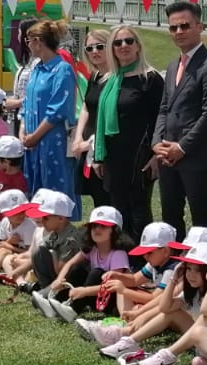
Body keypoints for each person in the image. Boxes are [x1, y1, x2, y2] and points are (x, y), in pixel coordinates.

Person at [151, 0, 207, 234]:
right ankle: (175, 267)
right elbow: (164, 108)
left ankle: (204, 269)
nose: (179, 32)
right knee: (170, 219)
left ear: (199, 26)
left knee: (202, 221)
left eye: (185, 26)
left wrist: (182, 147)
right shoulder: (174, 65)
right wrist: (157, 143)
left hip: (196, 157)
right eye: (173, 28)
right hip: (167, 156)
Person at [90, 24, 163, 240]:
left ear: (138, 46)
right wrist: (98, 157)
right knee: (118, 210)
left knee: (138, 209)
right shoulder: (109, 80)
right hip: (113, 156)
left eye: (129, 41)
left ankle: (142, 260)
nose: (123, 46)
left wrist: (155, 156)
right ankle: (122, 258)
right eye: (117, 42)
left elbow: (160, 119)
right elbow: (100, 121)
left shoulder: (150, 79)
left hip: (140, 156)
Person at [19, 18, 78, 201]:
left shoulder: (62, 70)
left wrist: (35, 136)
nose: (27, 45)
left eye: (29, 41)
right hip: (31, 140)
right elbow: (28, 102)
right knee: (32, 189)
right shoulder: (37, 69)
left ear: (38, 42)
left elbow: (58, 109)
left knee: (53, 190)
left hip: (51, 140)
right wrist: (23, 130)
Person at [71, 29, 112, 212]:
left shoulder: (117, 78)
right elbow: (87, 106)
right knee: (98, 200)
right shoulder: (95, 76)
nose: (94, 51)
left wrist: (91, 143)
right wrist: (78, 137)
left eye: (100, 46)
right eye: (89, 48)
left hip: (104, 148)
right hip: (88, 147)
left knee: (110, 201)